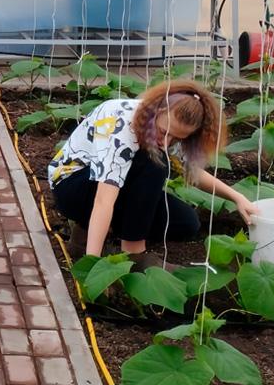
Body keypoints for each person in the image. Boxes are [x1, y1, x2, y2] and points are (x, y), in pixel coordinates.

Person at [47, 79, 258, 268]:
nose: (166, 142)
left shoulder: (166, 130)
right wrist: (91, 267)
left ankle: (83, 238)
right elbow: (103, 200)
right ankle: (133, 253)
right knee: (155, 161)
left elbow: (191, 171)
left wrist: (237, 197)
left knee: (185, 222)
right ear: (155, 110)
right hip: (73, 186)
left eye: (176, 138)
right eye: (164, 132)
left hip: (114, 190)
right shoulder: (120, 124)